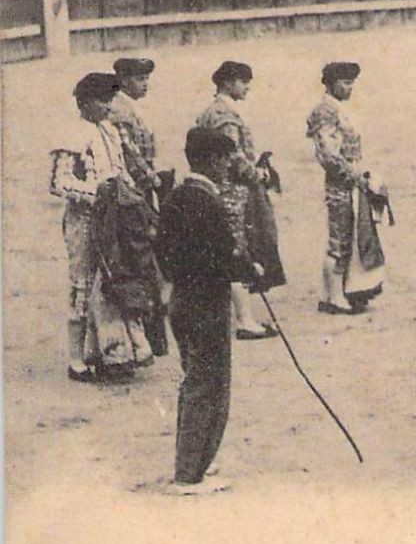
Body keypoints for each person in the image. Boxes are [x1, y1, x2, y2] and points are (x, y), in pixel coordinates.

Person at [157, 127, 265, 492]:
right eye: (225, 160)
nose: (228, 167)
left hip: (181, 300)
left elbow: (165, 254)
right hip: (207, 304)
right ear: (211, 160)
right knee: (209, 386)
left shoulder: (173, 197)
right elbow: (221, 256)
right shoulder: (210, 201)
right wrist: (249, 269)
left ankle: (194, 460)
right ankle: (189, 473)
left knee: (194, 382)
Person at [49, 73, 154, 381]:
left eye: (110, 99)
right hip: (85, 220)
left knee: (116, 279)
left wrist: (131, 197)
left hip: (116, 219)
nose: (109, 106)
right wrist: (98, 196)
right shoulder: (70, 133)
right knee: (82, 283)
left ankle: (112, 354)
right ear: (84, 103)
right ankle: (76, 360)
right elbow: (58, 183)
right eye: (102, 100)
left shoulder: (109, 131)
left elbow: (121, 172)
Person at [196, 62, 283, 340]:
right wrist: (258, 173)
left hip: (219, 187)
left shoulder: (214, 111)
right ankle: (244, 320)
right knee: (236, 249)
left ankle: (241, 317)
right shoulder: (226, 115)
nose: (247, 87)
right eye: (243, 82)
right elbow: (231, 156)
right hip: (232, 190)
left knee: (231, 248)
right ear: (228, 83)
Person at [306, 62, 385, 314]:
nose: (350, 87)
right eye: (345, 82)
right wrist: (354, 176)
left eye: (352, 82)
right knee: (339, 238)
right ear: (330, 84)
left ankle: (343, 292)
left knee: (350, 237)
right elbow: (328, 155)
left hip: (351, 181)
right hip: (342, 184)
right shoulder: (325, 111)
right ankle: (333, 297)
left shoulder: (336, 109)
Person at [109, 58, 160, 200]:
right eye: (140, 79)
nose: (145, 84)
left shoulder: (131, 105)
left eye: (146, 79)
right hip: (133, 181)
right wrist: (152, 177)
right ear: (124, 81)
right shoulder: (120, 109)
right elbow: (129, 151)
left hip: (142, 177)